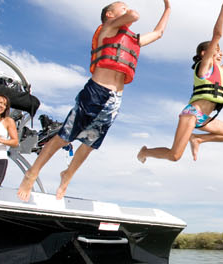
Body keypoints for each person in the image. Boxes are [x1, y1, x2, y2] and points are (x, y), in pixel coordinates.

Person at [18, 0, 171, 201]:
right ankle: (32, 173)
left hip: (115, 100)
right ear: (109, 14)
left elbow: (158, 33)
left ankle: (67, 175)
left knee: (90, 144)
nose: (126, 9)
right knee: (65, 136)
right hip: (96, 93)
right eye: (121, 6)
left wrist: (168, 8)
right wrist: (129, 13)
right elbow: (134, 15)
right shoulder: (107, 29)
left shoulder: (132, 39)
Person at [138, 0, 223, 163]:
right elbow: (217, 35)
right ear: (206, 52)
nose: (220, 54)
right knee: (174, 155)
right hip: (192, 114)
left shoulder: (222, 71)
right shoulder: (204, 67)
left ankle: (197, 139)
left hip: (203, 117)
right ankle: (145, 152)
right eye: (217, 50)